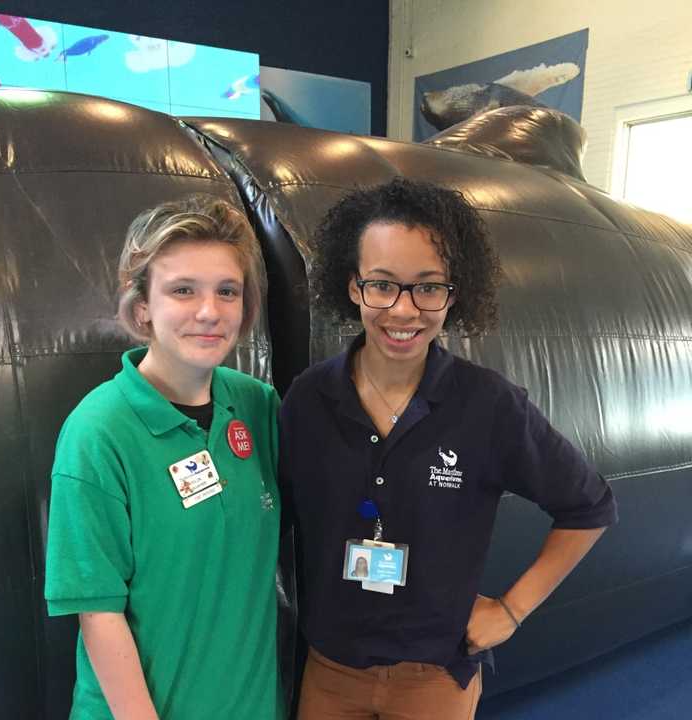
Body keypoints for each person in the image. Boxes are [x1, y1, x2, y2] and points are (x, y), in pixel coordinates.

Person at [279, 177, 617, 720]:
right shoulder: (308, 399)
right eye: (382, 285)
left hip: (436, 677)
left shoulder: (488, 405)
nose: (404, 310)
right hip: (330, 671)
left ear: (453, 294)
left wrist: (511, 609)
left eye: (428, 287)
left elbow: (590, 506)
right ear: (352, 286)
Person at [45, 195, 283, 720]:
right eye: (182, 290)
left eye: (228, 291)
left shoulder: (255, 405)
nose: (208, 311)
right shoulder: (99, 432)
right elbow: (98, 611)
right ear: (143, 306)